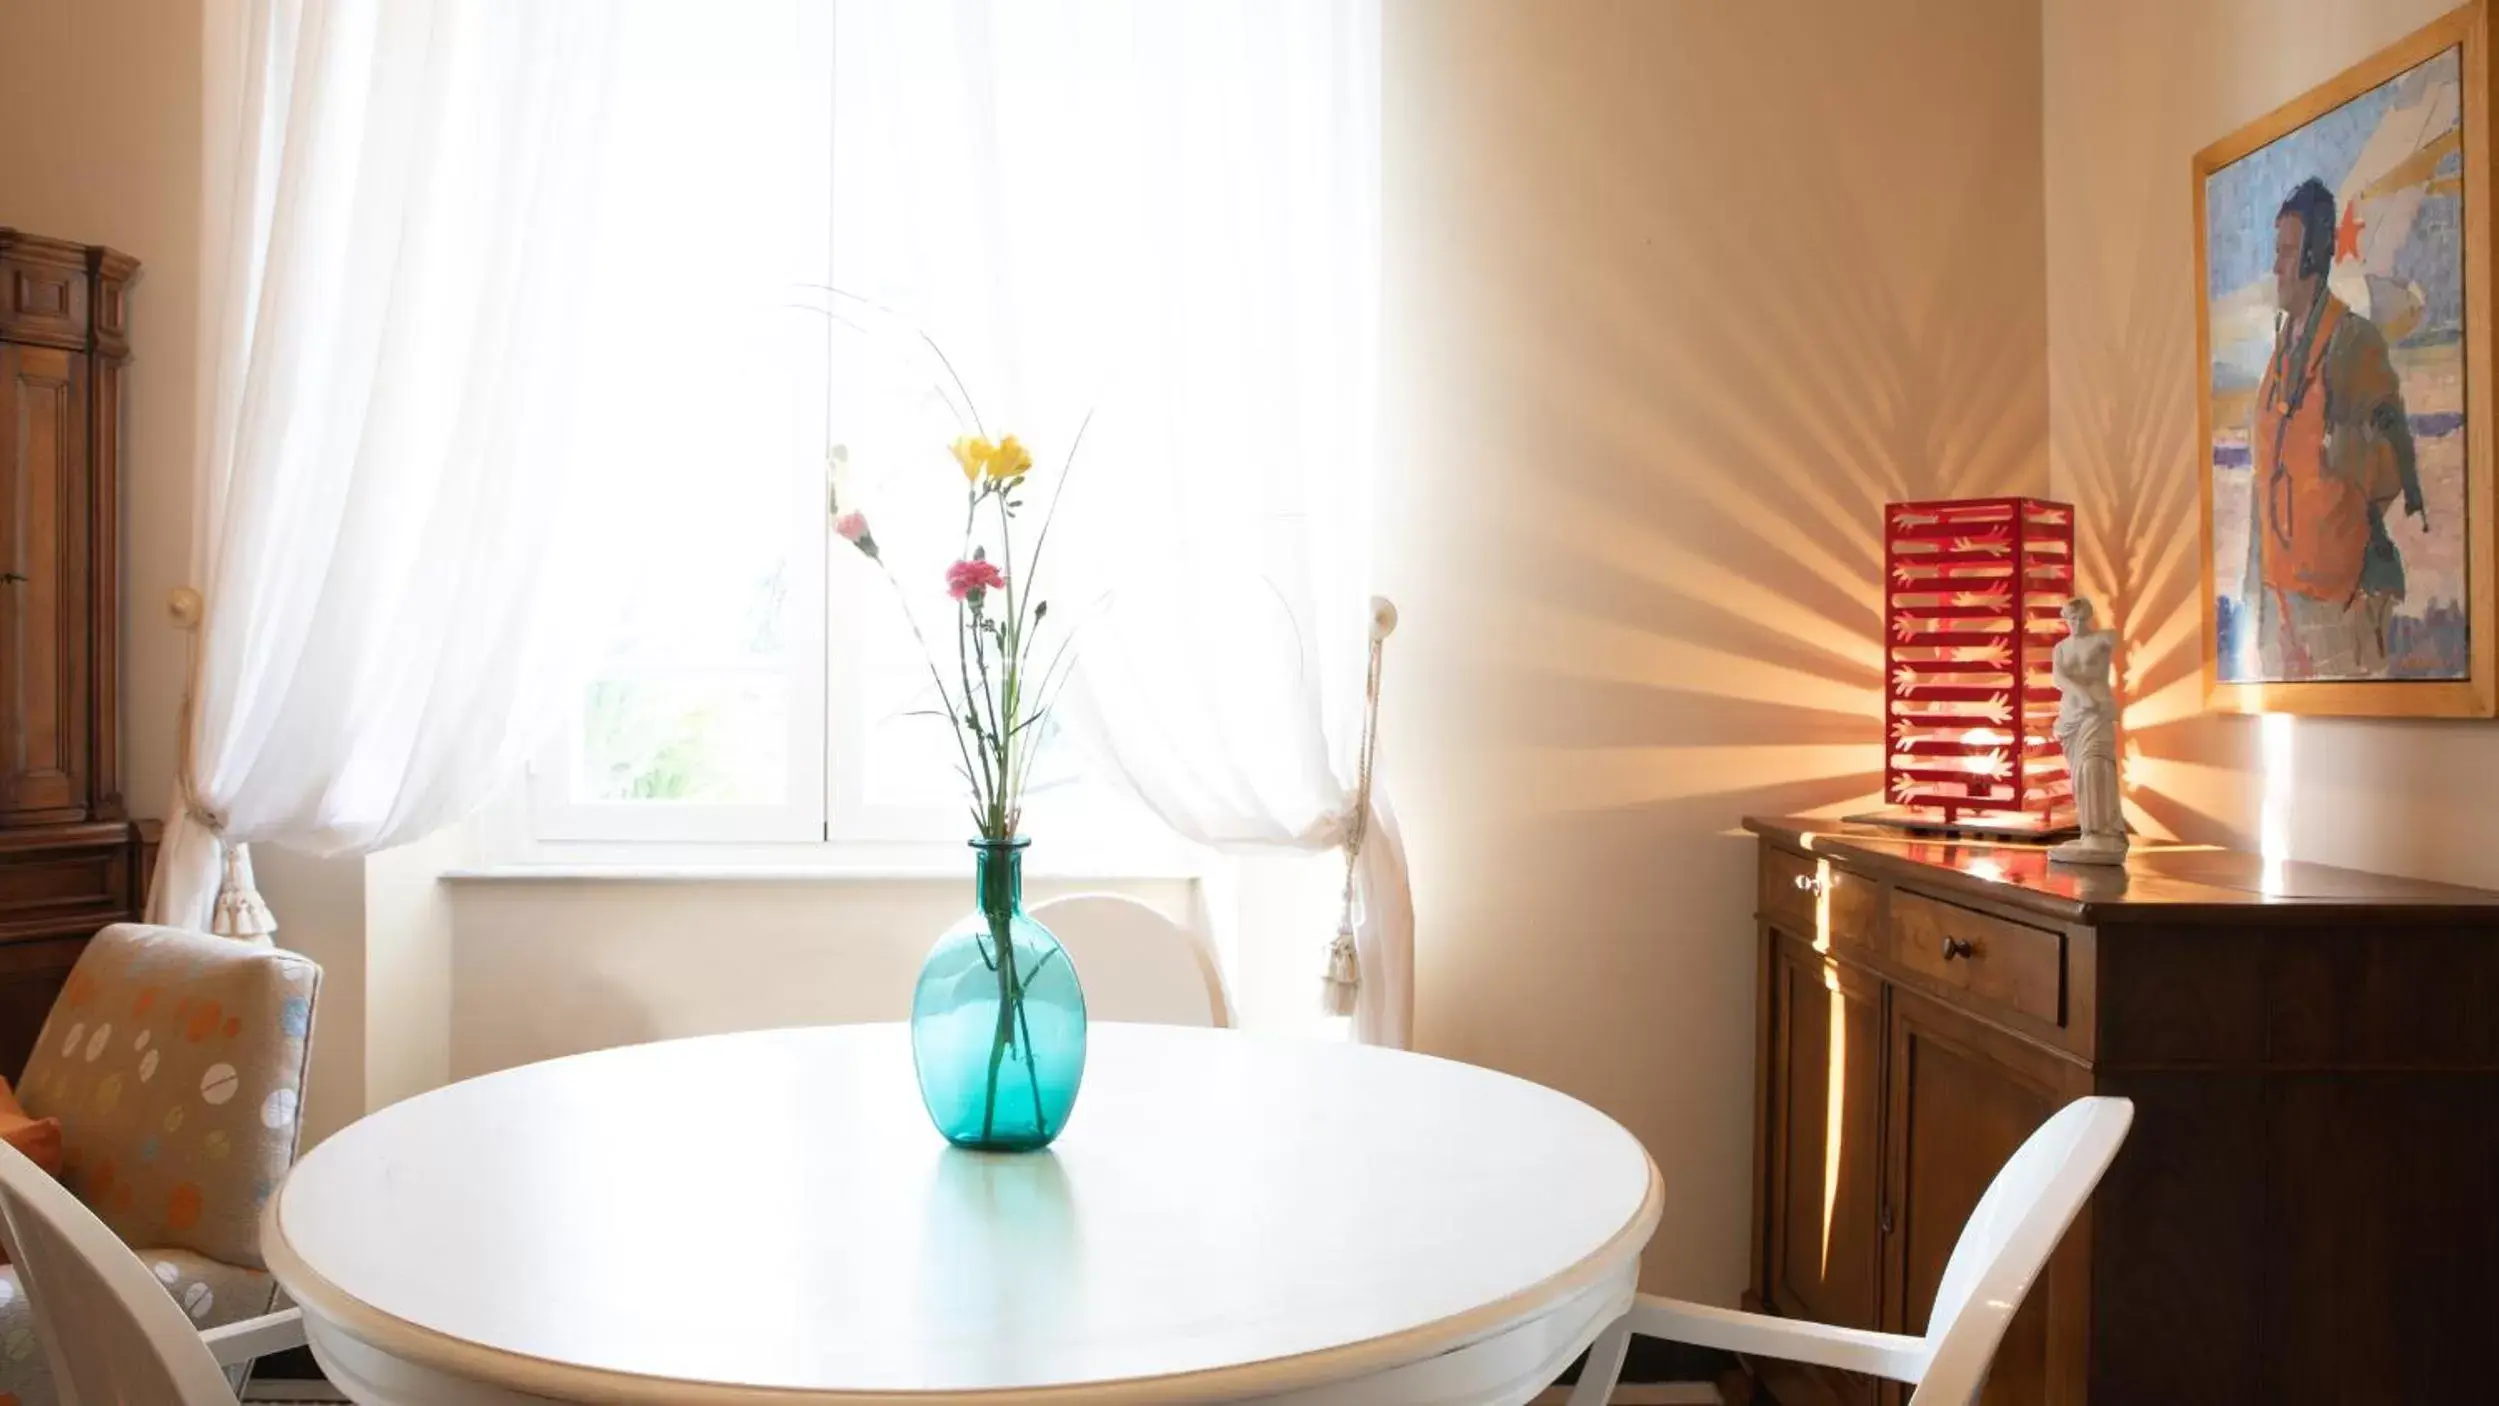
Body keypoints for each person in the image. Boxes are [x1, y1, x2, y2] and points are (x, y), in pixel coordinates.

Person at [2244, 177, 2424, 679]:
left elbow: (2387, 467)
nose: (2276, 266)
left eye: (2286, 252)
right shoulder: (2281, 353)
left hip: (2340, 598)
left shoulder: (2351, 343)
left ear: (2312, 259)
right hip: (2284, 599)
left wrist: (2330, 504)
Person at [2050, 596, 2125, 865]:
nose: (2076, 624)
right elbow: (2059, 678)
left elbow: (2120, 640)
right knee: (2079, 772)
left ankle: (2104, 832)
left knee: (2095, 765)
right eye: (2071, 619)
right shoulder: (2061, 648)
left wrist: (2090, 699)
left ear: (2089, 618)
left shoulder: (2102, 640)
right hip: (2073, 714)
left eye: (2081, 619)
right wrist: (2081, 694)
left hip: (2097, 712)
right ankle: (2089, 831)